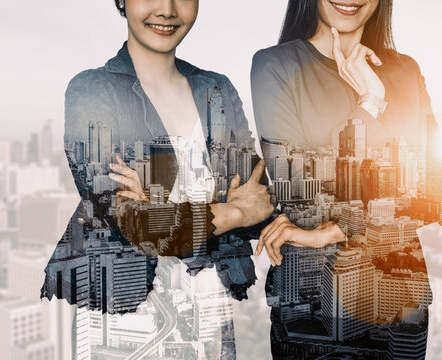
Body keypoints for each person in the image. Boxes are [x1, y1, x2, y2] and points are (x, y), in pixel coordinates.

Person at [40, 0, 274, 354]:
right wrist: (231, 213)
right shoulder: (93, 90)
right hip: (122, 318)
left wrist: (162, 209)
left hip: (209, 312)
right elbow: (126, 221)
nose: (167, 9)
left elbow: (260, 200)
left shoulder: (216, 90)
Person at [250, 0, 435, 357]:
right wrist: (370, 102)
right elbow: (301, 192)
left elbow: (435, 192)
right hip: (312, 314)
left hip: (401, 307)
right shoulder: (275, 66)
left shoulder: (406, 72)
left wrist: (332, 232)